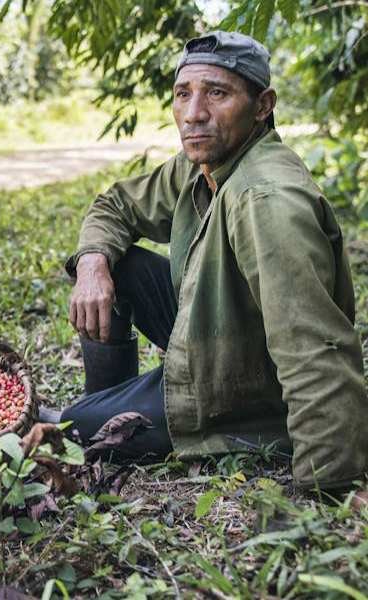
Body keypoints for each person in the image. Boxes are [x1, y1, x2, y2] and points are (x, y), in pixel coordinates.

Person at [52, 31, 367, 500]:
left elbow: (313, 345)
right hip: (216, 332)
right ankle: (110, 401)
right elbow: (116, 205)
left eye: (217, 93)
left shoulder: (266, 200)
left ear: (262, 106)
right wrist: (93, 264)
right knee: (114, 266)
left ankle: (105, 418)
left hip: (246, 388)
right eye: (183, 94)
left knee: (72, 427)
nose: (194, 113)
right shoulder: (205, 160)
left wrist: (332, 481)